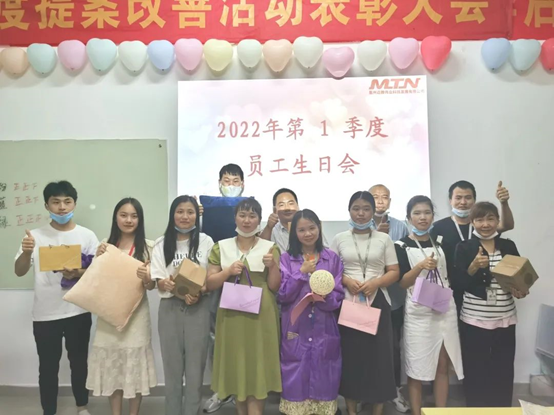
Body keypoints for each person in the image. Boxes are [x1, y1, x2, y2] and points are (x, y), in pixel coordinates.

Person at [14, 181, 98, 415]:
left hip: (78, 310)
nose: (62, 207)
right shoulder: (35, 236)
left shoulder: (87, 235)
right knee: (48, 367)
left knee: (79, 362)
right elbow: (19, 271)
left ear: (74, 204)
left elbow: (97, 272)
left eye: (67, 201)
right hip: (45, 314)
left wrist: (77, 273)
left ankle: (82, 405)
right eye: (56, 202)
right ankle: (49, 410)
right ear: (47, 205)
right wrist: (27, 252)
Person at [206, 198, 282, 415]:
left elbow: (275, 286)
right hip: (232, 315)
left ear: (259, 219)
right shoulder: (221, 247)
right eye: (242, 215)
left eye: (252, 216)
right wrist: (227, 272)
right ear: (235, 218)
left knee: (258, 365)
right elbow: (210, 284)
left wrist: (273, 266)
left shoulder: (270, 248)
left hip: (261, 316)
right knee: (236, 365)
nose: (247, 220)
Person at [87, 198, 157, 415]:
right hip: (109, 315)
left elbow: (151, 286)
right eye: (123, 215)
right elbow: (95, 280)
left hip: (136, 316)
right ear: (116, 217)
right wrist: (97, 259)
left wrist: (147, 277)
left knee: (134, 369)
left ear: (140, 219)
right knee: (112, 369)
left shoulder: (149, 247)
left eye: (134, 216)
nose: (128, 220)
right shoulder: (105, 245)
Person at [331, 191, 399, 415]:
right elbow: (331, 270)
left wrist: (376, 282)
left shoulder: (383, 239)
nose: (361, 214)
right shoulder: (339, 238)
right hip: (348, 303)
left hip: (377, 301)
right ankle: (351, 410)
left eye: (366, 209)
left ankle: (377, 410)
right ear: (349, 210)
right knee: (352, 357)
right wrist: (346, 281)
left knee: (379, 359)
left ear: (373, 212)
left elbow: (394, 271)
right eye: (356, 208)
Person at [394, 196, 464, 415]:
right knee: (416, 367)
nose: (422, 217)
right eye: (417, 213)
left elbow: (449, 275)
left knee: (443, 363)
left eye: (427, 212)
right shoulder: (401, 245)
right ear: (408, 218)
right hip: (418, 313)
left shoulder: (442, 244)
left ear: (433, 216)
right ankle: (417, 412)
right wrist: (420, 267)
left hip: (443, 308)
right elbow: (402, 282)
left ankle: (440, 411)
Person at [453, 202, 527, 408]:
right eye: (480, 220)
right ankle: (477, 410)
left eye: (490, 219)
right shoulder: (464, 248)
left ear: (497, 220)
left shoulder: (508, 246)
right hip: (474, 320)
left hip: (505, 318)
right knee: (476, 370)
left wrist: (520, 290)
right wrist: (473, 267)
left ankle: (502, 409)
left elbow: (519, 278)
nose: (485, 224)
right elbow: (458, 284)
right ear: (472, 222)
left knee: (504, 369)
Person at [151, 196, 214, 415]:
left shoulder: (206, 241)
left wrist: (199, 292)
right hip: (169, 310)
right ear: (173, 215)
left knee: (196, 369)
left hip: (199, 308)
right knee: (172, 369)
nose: (185, 216)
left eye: (190, 212)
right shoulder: (161, 243)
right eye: (180, 211)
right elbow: (158, 278)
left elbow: (210, 276)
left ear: (197, 215)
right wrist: (164, 283)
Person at [279, 209, 345, 415]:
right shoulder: (286, 259)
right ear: (294, 232)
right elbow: (282, 295)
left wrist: (323, 296)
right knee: (294, 369)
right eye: (301, 230)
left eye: (311, 228)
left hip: (324, 327)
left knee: (325, 368)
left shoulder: (331, 259)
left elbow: (338, 297)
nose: (307, 233)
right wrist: (301, 273)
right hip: (295, 327)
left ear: (319, 228)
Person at [431, 180, 514, 314]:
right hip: (449, 288)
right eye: (458, 198)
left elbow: (507, 225)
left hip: (479, 288)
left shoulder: (482, 225)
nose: (463, 202)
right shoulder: (438, 227)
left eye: (468, 197)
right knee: (450, 324)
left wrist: (504, 203)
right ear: (450, 200)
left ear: (474, 200)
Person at [204, 163, 245, 413]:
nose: (231, 185)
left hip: (245, 280)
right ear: (219, 184)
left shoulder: (250, 210)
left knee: (242, 334)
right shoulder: (206, 210)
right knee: (215, 336)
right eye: (226, 181)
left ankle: (242, 388)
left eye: (235, 181)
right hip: (217, 277)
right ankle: (220, 389)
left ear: (243, 185)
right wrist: (198, 214)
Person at [369, 184, 410, 413]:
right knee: (367, 346)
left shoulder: (401, 226)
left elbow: (402, 262)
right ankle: (367, 392)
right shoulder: (356, 225)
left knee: (393, 346)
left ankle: (394, 391)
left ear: (390, 202)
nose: (380, 201)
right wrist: (377, 236)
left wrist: (385, 241)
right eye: (375, 197)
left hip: (394, 298)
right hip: (365, 298)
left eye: (384, 197)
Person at [260, 188, 329, 251]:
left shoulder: (309, 226)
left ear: (297, 206)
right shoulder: (271, 230)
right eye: (281, 205)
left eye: (291, 203)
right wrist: (269, 227)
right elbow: (260, 249)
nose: (287, 208)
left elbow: (325, 250)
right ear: (274, 209)